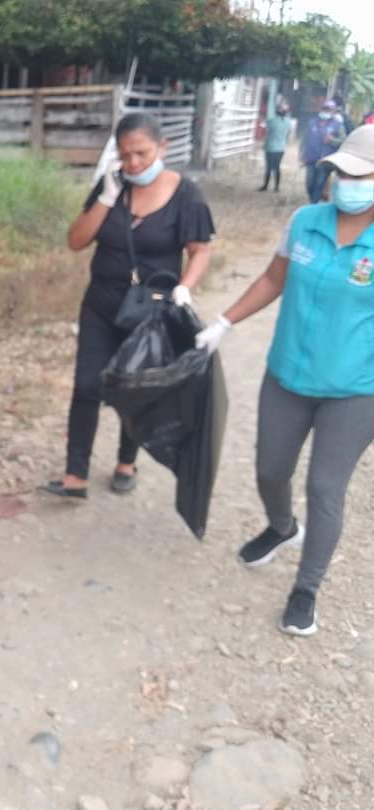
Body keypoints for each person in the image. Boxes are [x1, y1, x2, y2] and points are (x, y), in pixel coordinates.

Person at [195, 124, 374, 636]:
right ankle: (281, 527)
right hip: (288, 375)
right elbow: (274, 279)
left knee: (324, 488)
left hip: (355, 390)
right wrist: (224, 322)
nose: (345, 183)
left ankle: (306, 588)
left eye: (360, 176)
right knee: (270, 469)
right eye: (340, 173)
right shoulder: (304, 222)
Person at [43, 112, 215, 499]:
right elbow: (76, 241)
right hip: (101, 303)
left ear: (162, 148)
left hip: (150, 311)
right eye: (125, 155)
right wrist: (105, 199)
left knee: (134, 385)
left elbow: (200, 250)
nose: (133, 163)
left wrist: (185, 287)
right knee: (87, 384)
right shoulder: (112, 186)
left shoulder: (186, 194)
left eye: (142, 153)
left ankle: (126, 461)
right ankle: (75, 475)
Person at [301, 100, 345, 203]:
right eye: (325, 108)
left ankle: (313, 203)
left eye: (329, 109)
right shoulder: (312, 122)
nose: (326, 111)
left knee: (319, 184)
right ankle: (313, 200)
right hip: (311, 158)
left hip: (325, 160)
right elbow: (305, 139)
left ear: (333, 111)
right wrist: (302, 155)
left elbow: (343, 140)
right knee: (309, 183)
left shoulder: (338, 125)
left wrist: (332, 140)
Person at [259, 101, 290, 192]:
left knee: (268, 167)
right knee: (277, 167)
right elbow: (288, 135)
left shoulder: (271, 121)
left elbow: (265, 131)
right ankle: (276, 187)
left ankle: (265, 186)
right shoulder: (288, 123)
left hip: (270, 147)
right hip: (281, 148)